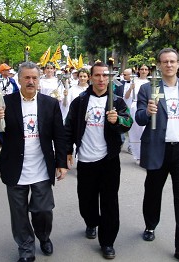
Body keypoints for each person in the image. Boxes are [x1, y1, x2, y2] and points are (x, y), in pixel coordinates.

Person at [0, 62, 67, 262]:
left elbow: (59, 135)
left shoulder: (50, 103)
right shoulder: (6, 101)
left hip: (41, 168)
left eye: (34, 78)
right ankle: (26, 248)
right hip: (15, 168)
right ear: (19, 79)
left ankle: (44, 236)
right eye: (27, 78)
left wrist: (61, 162)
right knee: (19, 214)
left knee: (43, 210)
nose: (31, 81)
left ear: (39, 80)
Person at [135, 48, 179, 262]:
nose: (169, 65)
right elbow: (139, 118)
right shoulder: (148, 88)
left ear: (178, 64)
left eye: (172, 61)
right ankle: (150, 225)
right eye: (165, 62)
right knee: (152, 192)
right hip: (158, 149)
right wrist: (147, 112)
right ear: (159, 65)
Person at [65, 62, 132, 259]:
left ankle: (108, 241)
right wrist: (68, 151)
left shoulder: (117, 101)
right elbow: (68, 126)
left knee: (110, 202)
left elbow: (129, 122)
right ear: (91, 77)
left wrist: (117, 120)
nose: (101, 79)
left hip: (109, 159)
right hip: (86, 159)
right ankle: (91, 221)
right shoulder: (80, 101)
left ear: (110, 78)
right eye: (97, 75)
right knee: (86, 200)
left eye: (105, 75)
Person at [128, 64, 150, 165]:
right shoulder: (134, 81)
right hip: (135, 106)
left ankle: (146, 154)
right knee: (136, 131)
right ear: (138, 70)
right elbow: (126, 96)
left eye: (146, 69)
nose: (144, 71)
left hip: (147, 108)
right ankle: (137, 155)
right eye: (142, 69)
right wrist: (130, 89)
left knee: (145, 131)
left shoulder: (151, 83)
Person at [114, 68, 135, 154]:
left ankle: (131, 146)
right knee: (121, 125)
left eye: (125, 75)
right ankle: (120, 142)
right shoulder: (120, 84)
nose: (123, 76)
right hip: (122, 109)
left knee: (133, 129)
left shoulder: (137, 84)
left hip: (133, 108)